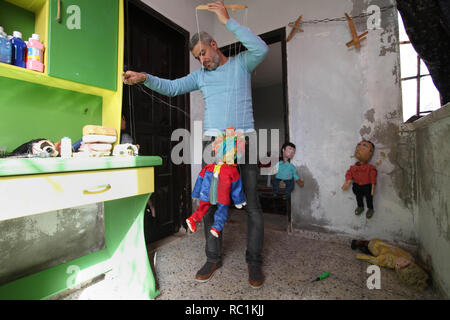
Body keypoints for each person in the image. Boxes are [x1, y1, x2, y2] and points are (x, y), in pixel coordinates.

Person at [122, 1, 269, 288]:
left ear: (214, 45)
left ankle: (254, 262)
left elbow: (262, 48)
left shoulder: (242, 63)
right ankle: (212, 257)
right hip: (213, 145)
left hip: (244, 142)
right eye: (197, 57)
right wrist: (144, 78)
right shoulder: (201, 76)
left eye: (203, 53)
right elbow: (173, 87)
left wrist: (227, 20)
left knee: (253, 205)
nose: (202, 60)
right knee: (210, 202)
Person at [341, 140, 377, 219]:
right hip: (357, 186)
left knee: (369, 198)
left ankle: (370, 208)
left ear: (370, 153)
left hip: (367, 186)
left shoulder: (370, 168)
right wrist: (348, 182)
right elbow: (349, 174)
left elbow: (373, 177)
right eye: (358, 146)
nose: (359, 148)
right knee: (358, 197)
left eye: (364, 147)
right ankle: (360, 206)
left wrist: (373, 188)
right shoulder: (353, 167)